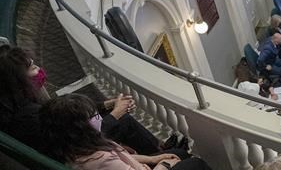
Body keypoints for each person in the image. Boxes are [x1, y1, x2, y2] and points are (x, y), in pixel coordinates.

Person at [40, 94, 244, 170]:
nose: (98, 118)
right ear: (78, 127)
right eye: (93, 116)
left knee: (179, 153)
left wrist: (154, 159)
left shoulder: (77, 146)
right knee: (197, 167)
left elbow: (122, 158)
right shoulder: (98, 162)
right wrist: (164, 165)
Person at [0, 45, 166, 154]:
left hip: (73, 142)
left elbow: (66, 114)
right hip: (78, 151)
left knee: (123, 120)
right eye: (32, 67)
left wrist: (106, 105)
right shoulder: (30, 115)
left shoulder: (18, 101)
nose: (38, 69)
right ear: (19, 79)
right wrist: (115, 113)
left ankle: (158, 151)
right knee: (124, 121)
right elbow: (84, 138)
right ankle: (159, 154)